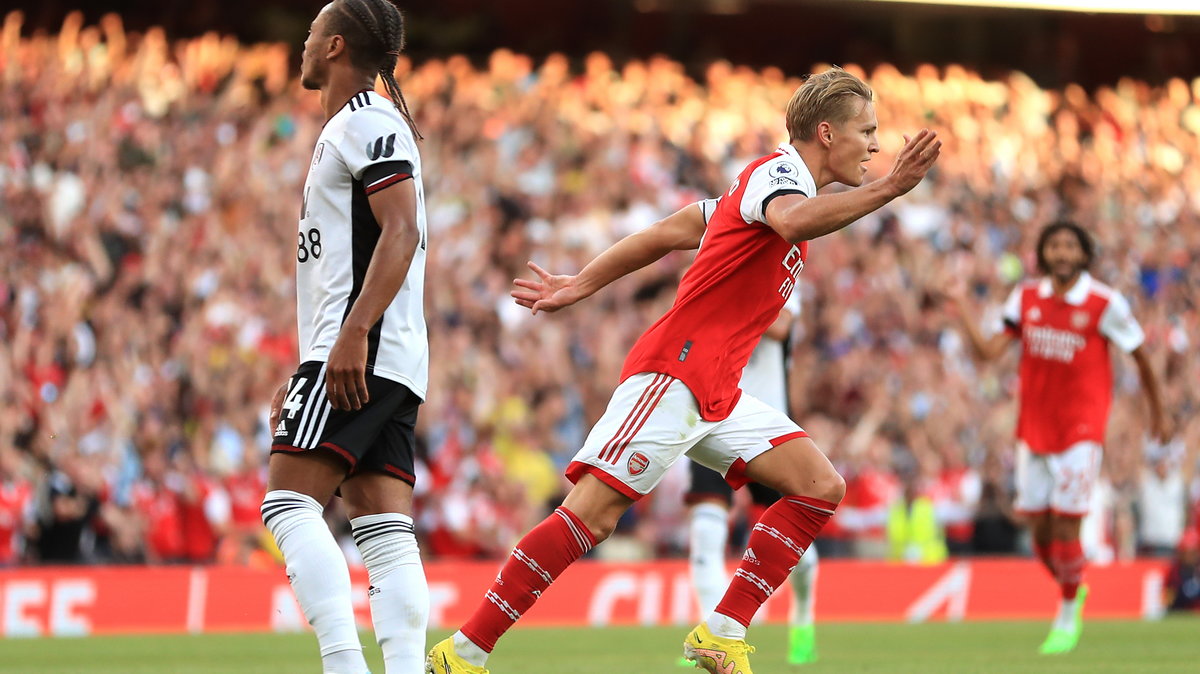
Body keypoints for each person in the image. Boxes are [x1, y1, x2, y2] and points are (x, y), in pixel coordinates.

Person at [427, 67, 941, 674]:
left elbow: (673, 231)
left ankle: (721, 634)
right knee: (589, 515)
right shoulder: (777, 178)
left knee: (819, 486)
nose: (878, 145)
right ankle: (461, 653)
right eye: (868, 130)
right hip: (676, 374)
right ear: (827, 134)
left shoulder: (757, 189)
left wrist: (581, 283)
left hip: (718, 390)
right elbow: (794, 221)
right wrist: (890, 189)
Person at [260, 2, 430, 673]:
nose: (299, 45)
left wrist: (352, 333)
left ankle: (342, 664)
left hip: (364, 350)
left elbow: (402, 229)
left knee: (286, 504)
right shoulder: (355, 126)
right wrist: (314, 354)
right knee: (383, 528)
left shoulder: (366, 121)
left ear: (333, 47)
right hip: (379, 352)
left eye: (308, 35)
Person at [947, 221, 1168, 655]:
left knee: (1069, 524)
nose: (1062, 253)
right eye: (1055, 246)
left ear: (1084, 254)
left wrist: (1158, 413)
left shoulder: (1105, 302)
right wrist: (960, 306)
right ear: (1044, 254)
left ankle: (1067, 613)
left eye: (1070, 245)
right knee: (1040, 533)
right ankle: (1073, 585)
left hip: (1081, 428)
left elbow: (1140, 356)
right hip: (1034, 427)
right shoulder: (1026, 297)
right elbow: (989, 353)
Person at [679, 254, 820, 666]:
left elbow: (779, 327)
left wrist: (723, 296)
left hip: (766, 425)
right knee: (706, 532)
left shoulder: (782, 273)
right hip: (712, 414)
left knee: (797, 549)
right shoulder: (714, 271)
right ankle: (710, 635)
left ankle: (804, 615)